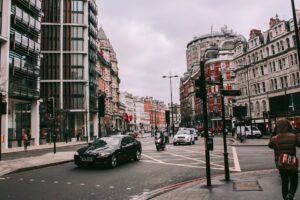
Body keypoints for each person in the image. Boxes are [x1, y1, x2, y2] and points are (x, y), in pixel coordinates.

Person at [268, 119, 300, 200]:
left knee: (284, 182)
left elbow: (270, 145)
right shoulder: (293, 136)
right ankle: (291, 194)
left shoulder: (275, 139)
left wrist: (273, 133)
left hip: (281, 163)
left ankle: (286, 198)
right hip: (292, 163)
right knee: (294, 181)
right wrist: (294, 132)